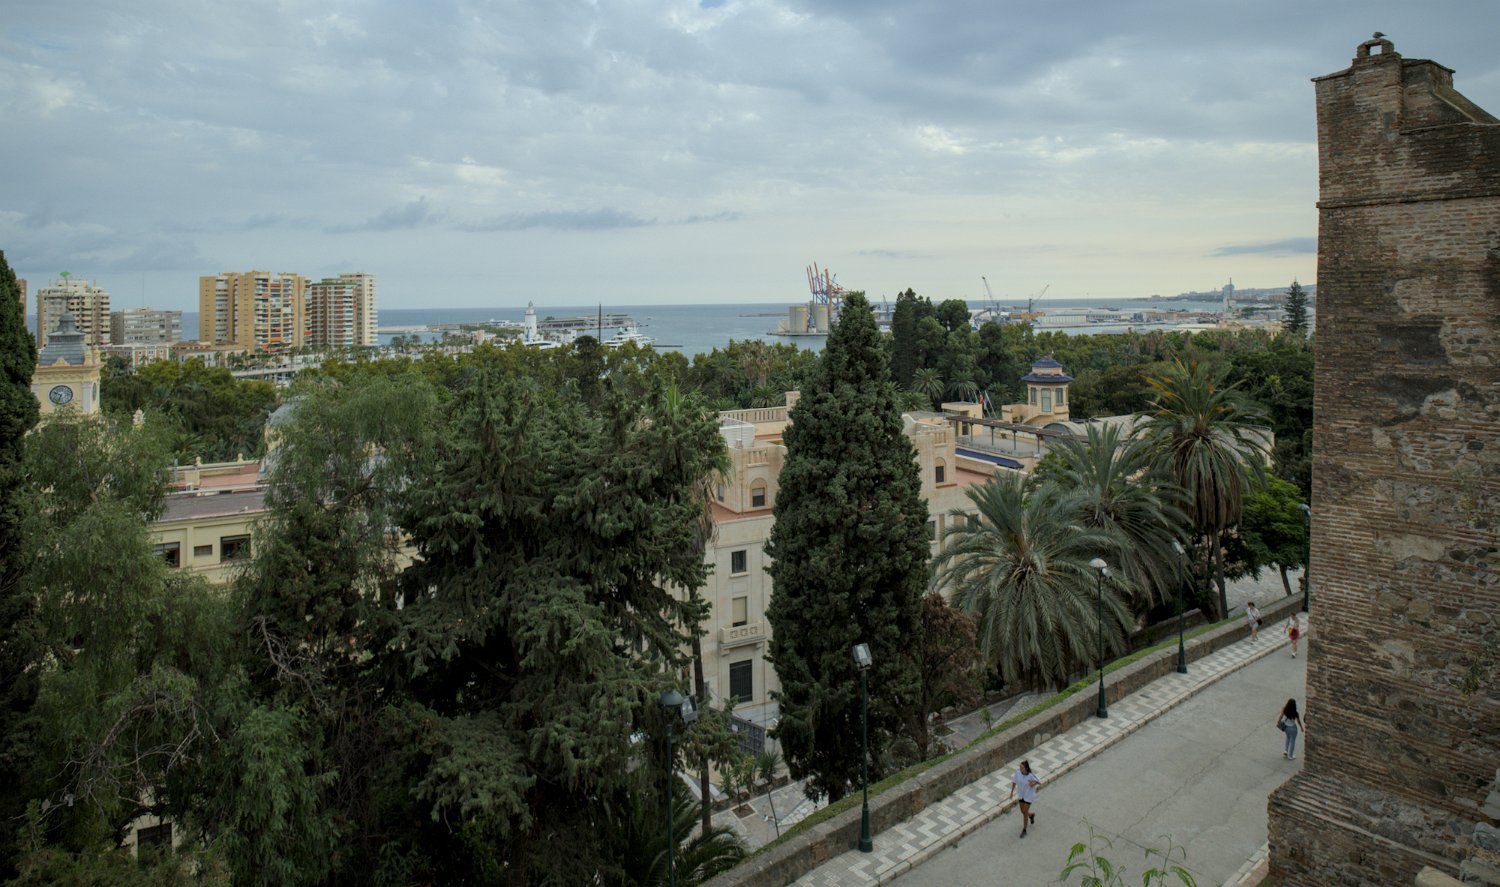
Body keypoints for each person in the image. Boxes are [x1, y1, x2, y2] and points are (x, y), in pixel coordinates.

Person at [1008, 760, 1043, 838]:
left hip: (1029, 796)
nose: (1020, 769)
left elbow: (1039, 781)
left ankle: (1024, 830)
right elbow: (1014, 781)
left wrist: (1033, 783)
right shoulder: (1017, 773)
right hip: (1021, 795)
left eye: (1022, 767)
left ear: (1026, 768)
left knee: (1024, 813)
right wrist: (1011, 792)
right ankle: (1031, 815)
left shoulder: (1030, 775)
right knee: (1023, 811)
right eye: (1020, 767)